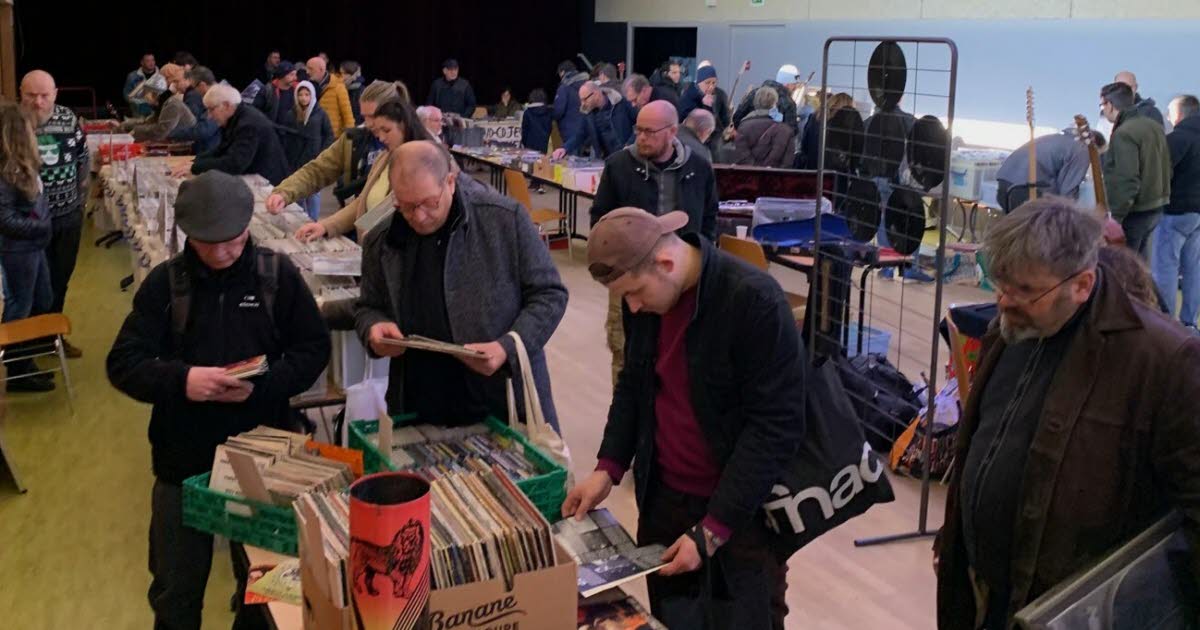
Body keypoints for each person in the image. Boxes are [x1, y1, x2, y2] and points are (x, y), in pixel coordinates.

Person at [934, 197, 1200, 630]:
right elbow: (981, 443)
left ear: (1081, 284)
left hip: (1072, 614)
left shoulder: (1164, 361)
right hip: (985, 599)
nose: (1003, 300)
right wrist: (956, 538)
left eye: (1023, 289)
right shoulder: (1011, 330)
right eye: (1000, 282)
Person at [107, 170, 330, 630]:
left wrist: (264, 384)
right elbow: (123, 362)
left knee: (266, 589)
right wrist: (183, 381)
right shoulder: (165, 286)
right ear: (189, 235)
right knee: (175, 587)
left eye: (234, 240)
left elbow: (312, 349)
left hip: (266, 457)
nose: (224, 252)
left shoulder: (276, 275)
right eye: (210, 244)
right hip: (182, 462)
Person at [565, 206, 804, 629]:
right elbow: (634, 386)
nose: (633, 308)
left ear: (666, 263)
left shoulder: (754, 300)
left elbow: (774, 429)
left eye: (636, 292)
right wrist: (608, 467)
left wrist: (713, 529)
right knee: (674, 617)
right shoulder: (645, 301)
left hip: (742, 521)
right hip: (664, 504)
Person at [356, 140, 568, 428]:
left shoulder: (504, 219)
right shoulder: (382, 241)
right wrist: (373, 328)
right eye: (405, 206)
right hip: (419, 404)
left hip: (500, 398)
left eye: (429, 203)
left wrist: (506, 347)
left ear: (451, 183)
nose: (418, 216)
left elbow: (550, 294)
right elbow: (368, 306)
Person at [591, 100, 719, 382]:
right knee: (625, 353)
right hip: (630, 278)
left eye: (649, 131)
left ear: (672, 131)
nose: (641, 137)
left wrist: (700, 262)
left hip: (680, 278)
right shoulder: (619, 166)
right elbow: (599, 219)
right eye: (638, 130)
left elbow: (710, 218)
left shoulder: (699, 168)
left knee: (678, 352)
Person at [19, 70, 88, 358]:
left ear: (55, 94)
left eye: (44, 95)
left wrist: (81, 200)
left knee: (61, 278)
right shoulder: (12, 123)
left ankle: (51, 337)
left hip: (68, 216)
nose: (38, 102)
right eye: (31, 95)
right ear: (20, 93)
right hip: (28, 221)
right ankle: (25, 344)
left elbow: (83, 159)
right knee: (33, 283)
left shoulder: (68, 119)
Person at [294, 99, 431, 244]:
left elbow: (390, 208)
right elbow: (363, 203)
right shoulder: (384, 157)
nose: (382, 138)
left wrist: (369, 235)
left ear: (404, 126)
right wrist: (325, 226)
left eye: (387, 130)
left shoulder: (422, 164)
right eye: (379, 132)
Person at [266, 80, 406, 213]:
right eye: (364, 117)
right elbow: (319, 169)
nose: (368, 123)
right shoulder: (354, 138)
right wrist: (284, 193)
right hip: (357, 223)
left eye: (373, 116)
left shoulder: (412, 145)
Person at [0, 103, 55, 391]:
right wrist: (42, 227)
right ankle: (17, 371)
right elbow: (5, 219)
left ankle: (25, 361)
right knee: (20, 306)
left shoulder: (22, 164)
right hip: (18, 251)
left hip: (32, 248)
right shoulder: (6, 171)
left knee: (41, 300)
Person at [1100, 81, 1171, 259]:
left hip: (1135, 212)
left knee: (1124, 267)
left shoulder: (1124, 133)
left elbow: (1127, 179)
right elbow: (1167, 166)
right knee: (1141, 267)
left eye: (1101, 105)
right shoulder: (1153, 125)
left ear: (1109, 105)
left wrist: (1114, 218)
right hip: (1156, 206)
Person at [1152, 94, 1200, 329]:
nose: (1169, 117)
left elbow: (1161, 173)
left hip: (1175, 212)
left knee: (1166, 267)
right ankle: (1189, 323)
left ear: (1180, 113)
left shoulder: (1178, 138)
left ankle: (1165, 324)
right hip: (1198, 215)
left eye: (1170, 112)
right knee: (1194, 268)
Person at [179, 84, 289, 186]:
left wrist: (196, 167)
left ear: (226, 105)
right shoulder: (235, 118)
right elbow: (221, 150)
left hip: (271, 185)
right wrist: (195, 162)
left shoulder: (248, 124)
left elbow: (234, 164)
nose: (209, 116)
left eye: (211, 109)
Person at [995, 126, 1106, 212]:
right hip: (1026, 190)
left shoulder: (1058, 138)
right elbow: (1067, 193)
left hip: (1004, 185)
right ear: (1094, 147)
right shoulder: (1082, 149)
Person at [282, 81, 334, 220]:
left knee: (313, 193)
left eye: (307, 94)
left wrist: (322, 153)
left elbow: (329, 134)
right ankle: (301, 221)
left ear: (312, 96)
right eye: (300, 94)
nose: (303, 98)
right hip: (295, 159)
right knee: (298, 191)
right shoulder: (291, 114)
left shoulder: (320, 113)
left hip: (314, 158)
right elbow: (286, 137)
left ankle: (313, 221)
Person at [552, 80, 636, 160]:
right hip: (605, 160)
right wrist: (564, 148)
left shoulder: (621, 104)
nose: (582, 104)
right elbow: (580, 134)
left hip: (625, 158)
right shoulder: (588, 114)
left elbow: (641, 123)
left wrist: (629, 144)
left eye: (585, 99)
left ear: (596, 94)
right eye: (581, 100)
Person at [121, 63, 196, 142]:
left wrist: (134, 130)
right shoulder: (170, 100)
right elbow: (153, 120)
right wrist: (127, 126)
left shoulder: (176, 101)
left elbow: (162, 130)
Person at [732, 87, 795, 168]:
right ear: (774, 104)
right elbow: (788, 163)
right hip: (776, 178)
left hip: (749, 178)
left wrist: (754, 168)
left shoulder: (743, 127)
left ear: (755, 103)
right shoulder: (786, 131)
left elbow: (741, 157)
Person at [167, 66, 220, 154]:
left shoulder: (217, 98)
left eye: (194, 87)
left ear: (202, 85)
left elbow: (202, 130)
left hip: (210, 152)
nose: (194, 91)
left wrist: (170, 133)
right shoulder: (216, 96)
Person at [732, 64, 800, 130]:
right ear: (787, 84)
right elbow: (791, 130)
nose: (795, 87)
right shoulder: (789, 103)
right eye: (794, 84)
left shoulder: (753, 94)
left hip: (748, 139)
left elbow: (737, 118)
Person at [683, 62, 730, 158]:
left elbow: (725, 119)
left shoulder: (720, 94)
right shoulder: (690, 96)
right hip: (693, 138)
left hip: (713, 139)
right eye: (707, 83)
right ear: (699, 82)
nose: (711, 86)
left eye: (714, 83)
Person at [797, 92, 854, 169]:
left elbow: (804, 145)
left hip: (811, 169)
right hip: (832, 174)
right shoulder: (845, 127)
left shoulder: (814, 118)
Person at [307, 56, 356, 138]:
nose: (307, 72)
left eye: (310, 69)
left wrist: (349, 139)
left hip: (332, 137)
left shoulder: (338, 86)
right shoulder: (307, 86)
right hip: (313, 136)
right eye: (307, 68)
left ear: (321, 69)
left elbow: (348, 116)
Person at [553, 60, 592, 148]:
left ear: (562, 72)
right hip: (589, 130)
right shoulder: (588, 84)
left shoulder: (564, 87)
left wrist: (551, 115)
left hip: (570, 133)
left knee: (572, 160)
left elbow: (559, 111)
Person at [252, 60, 298, 127]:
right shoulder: (268, 90)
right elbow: (255, 111)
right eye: (291, 75)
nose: (295, 78)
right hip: (271, 132)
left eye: (295, 74)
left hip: (290, 134)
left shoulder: (298, 90)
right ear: (282, 75)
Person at [125, 53, 160, 117]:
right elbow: (127, 96)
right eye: (148, 61)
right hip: (139, 113)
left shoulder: (161, 75)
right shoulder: (132, 76)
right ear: (142, 62)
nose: (151, 63)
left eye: (153, 60)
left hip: (157, 113)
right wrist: (143, 102)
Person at [521, 88, 554, 153]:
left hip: (529, 145)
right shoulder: (549, 112)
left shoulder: (527, 113)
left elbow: (524, 131)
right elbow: (549, 128)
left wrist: (524, 143)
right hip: (544, 144)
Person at [340, 60, 365, 125]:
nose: (342, 76)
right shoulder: (340, 89)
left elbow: (361, 114)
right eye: (341, 73)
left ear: (353, 75)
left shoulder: (361, 91)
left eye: (345, 73)